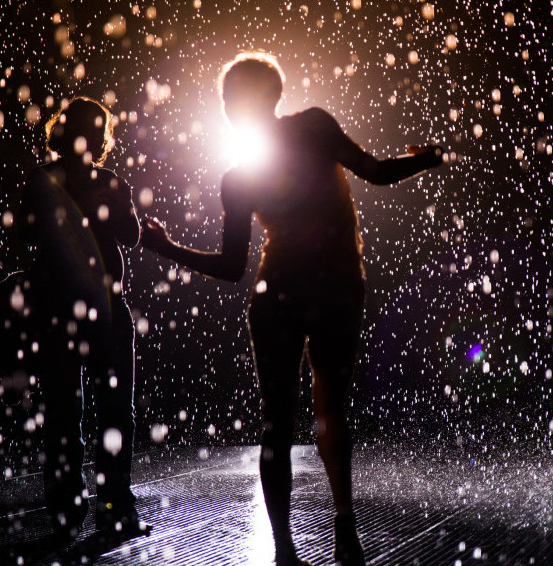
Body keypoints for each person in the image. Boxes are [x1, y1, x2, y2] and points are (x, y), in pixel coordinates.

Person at [141, 51, 444, 566]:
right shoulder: (313, 127)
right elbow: (375, 172)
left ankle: (285, 549)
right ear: (277, 93)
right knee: (332, 410)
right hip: (336, 286)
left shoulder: (239, 177)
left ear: (230, 108)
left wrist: (168, 248)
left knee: (277, 421)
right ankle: (344, 525)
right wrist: (426, 158)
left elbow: (232, 266)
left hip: (277, 290)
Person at [19, 97, 149, 543]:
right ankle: (113, 508)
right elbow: (131, 238)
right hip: (105, 308)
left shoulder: (44, 180)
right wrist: (114, 202)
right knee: (113, 413)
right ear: (97, 139)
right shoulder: (106, 180)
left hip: (58, 308)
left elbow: (20, 234)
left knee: (63, 411)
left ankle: (66, 510)